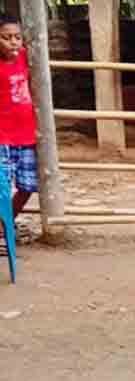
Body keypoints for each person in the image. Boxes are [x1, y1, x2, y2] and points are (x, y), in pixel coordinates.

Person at [0, 16, 38, 249]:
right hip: (2, 136)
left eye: (17, 37)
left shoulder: (27, 57)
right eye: (6, 37)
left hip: (27, 136)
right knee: (2, 186)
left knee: (27, 186)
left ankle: (4, 225)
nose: (13, 42)